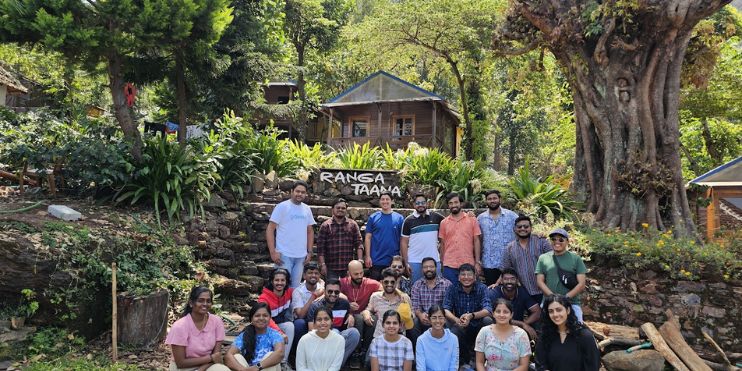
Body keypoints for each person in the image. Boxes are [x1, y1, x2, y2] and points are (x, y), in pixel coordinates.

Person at [267, 180, 316, 288]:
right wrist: (273, 252)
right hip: (284, 255)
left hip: (301, 257)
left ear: (306, 194)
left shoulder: (307, 209)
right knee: (281, 286)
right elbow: (270, 229)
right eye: (297, 191)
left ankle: (292, 306)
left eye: (303, 192)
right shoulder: (282, 207)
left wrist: (309, 252)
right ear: (291, 191)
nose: (300, 194)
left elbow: (310, 231)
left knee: (295, 288)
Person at [165, 287, 228, 371]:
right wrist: (210, 358)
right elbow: (180, 363)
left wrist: (201, 369)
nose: (205, 304)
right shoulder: (180, 326)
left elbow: (216, 356)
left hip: (208, 365)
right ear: (191, 303)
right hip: (184, 368)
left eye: (208, 301)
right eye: (200, 300)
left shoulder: (216, 321)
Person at [443, 263, 493, 368]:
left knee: (488, 320)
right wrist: (456, 319)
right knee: (453, 328)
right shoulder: (453, 288)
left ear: (475, 277)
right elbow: (446, 309)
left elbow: (488, 310)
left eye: (469, 275)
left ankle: (479, 357)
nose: (466, 278)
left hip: (477, 323)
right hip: (461, 323)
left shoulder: (482, 288)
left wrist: (471, 316)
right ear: (458, 277)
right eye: (463, 275)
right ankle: (462, 360)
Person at [535, 295, 600, 371]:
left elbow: (593, 366)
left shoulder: (584, 336)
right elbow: (540, 364)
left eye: (559, 310)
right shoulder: (545, 336)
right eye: (551, 311)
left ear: (568, 310)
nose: (555, 314)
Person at [535, 228, 587, 322]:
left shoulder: (576, 259)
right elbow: (540, 281)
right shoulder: (543, 258)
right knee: (547, 332)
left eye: (561, 239)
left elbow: (581, 284)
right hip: (549, 303)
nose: (557, 242)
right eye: (554, 239)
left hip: (572, 303)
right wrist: (554, 298)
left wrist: (565, 298)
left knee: (577, 332)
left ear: (567, 241)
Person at [306, 278, 360, 367]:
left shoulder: (344, 303)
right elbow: (311, 330)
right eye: (330, 291)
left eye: (336, 292)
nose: (333, 294)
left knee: (354, 333)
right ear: (324, 291)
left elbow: (348, 315)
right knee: (334, 332)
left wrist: (350, 315)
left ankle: (337, 365)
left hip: (339, 338)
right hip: (320, 339)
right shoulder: (315, 305)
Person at [501, 215, 552, 304]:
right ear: (514, 229)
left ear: (531, 228)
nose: (523, 229)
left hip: (545, 290)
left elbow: (554, 261)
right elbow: (506, 271)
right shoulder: (509, 248)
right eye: (519, 227)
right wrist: (497, 283)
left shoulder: (542, 242)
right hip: (524, 292)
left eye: (526, 226)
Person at [340, 260, 382, 360]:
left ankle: (365, 351)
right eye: (356, 274)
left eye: (361, 273)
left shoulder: (369, 283)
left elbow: (385, 288)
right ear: (348, 273)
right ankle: (355, 352)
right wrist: (347, 304)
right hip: (348, 316)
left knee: (373, 319)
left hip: (365, 315)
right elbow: (332, 291)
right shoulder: (343, 282)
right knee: (358, 318)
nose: (359, 276)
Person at [474, 299, 531, 371]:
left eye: (506, 312)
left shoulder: (521, 335)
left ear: (511, 315)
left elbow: (524, 366)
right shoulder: (484, 332)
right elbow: (479, 362)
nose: (501, 315)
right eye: (498, 311)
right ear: (493, 314)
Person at [439, 192, 482, 284]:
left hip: (468, 264)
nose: (453, 205)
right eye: (450, 203)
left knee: (469, 293)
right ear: (448, 205)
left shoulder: (472, 219)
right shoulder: (443, 223)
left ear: (461, 204)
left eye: (456, 202)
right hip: (449, 265)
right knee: (450, 292)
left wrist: (477, 262)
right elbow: (442, 243)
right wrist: (442, 262)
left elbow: (476, 240)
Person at [225, 302, 283, 371]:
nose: (261, 318)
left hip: (265, 368)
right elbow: (228, 355)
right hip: (248, 370)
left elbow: (280, 353)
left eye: (265, 315)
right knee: (237, 357)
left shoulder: (274, 334)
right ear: (251, 319)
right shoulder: (245, 335)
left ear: (270, 318)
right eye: (257, 316)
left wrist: (257, 367)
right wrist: (243, 369)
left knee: (271, 356)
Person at [477, 190, 518, 285]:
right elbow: (478, 240)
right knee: (492, 291)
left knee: (510, 290)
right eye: (489, 199)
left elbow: (522, 231)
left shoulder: (512, 216)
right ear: (486, 201)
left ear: (500, 199)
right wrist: (478, 261)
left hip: (508, 262)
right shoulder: (480, 218)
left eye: (495, 198)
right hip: (488, 263)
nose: (492, 201)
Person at [401, 194, 444, 283]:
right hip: (414, 262)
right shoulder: (408, 221)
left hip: (434, 260)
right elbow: (403, 243)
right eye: (418, 203)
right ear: (413, 205)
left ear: (427, 203)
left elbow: (451, 221)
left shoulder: (436, 217)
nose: (420, 205)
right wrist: (406, 263)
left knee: (437, 288)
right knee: (415, 289)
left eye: (423, 202)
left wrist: (468, 215)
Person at [487, 268, 540, 340]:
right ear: (501, 281)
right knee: (487, 320)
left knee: (538, 323)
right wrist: (521, 324)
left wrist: (525, 323)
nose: (509, 282)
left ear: (517, 280)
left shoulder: (521, 291)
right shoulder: (494, 293)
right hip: (499, 326)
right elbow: (492, 315)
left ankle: (536, 347)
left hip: (517, 328)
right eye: (506, 279)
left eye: (512, 279)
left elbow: (537, 311)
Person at [409, 257, 452, 345]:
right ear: (422, 270)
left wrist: (436, 317)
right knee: (413, 323)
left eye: (431, 267)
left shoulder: (446, 284)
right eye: (425, 267)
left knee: (448, 322)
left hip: (441, 317)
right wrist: (420, 315)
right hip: (424, 317)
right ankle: (418, 349)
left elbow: (448, 306)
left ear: (436, 268)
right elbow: (415, 305)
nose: (428, 269)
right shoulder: (417, 285)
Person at [317, 198, 363, 280]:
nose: (340, 210)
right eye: (338, 208)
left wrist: (359, 260)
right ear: (333, 209)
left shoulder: (352, 225)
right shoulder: (326, 225)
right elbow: (321, 248)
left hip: (348, 268)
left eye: (343, 208)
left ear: (346, 210)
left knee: (348, 291)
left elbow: (358, 243)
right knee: (332, 291)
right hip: (331, 268)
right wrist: (322, 265)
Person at [362, 268, 414, 339]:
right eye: (386, 282)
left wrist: (405, 309)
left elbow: (412, 315)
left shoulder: (404, 298)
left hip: (399, 336)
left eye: (392, 282)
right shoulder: (375, 297)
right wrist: (366, 313)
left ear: (396, 283)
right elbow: (368, 309)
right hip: (380, 336)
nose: (389, 284)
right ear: (381, 282)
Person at [365, 192, 405, 280]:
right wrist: (367, 256)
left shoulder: (399, 218)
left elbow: (402, 240)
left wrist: (403, 259)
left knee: (393, 287)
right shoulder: (373, 218)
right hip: (376, 260)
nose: (385, 201)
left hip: (394, 262)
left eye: (387, 199)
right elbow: (368, 237)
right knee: (376, 288)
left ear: (392, 201)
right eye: (383, 199)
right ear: (380, 202)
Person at [290, 262, 324, 365]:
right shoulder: (298, 291)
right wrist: (313, 296)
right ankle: (298, 355)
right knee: (299, 323)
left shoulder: (323, 287)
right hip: (304, 321)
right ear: (304, 275)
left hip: (320, 319)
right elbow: (300, 315)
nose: (313, 275)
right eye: (310, 273)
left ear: (319, 276)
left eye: (316, 273)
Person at [258, 268, 294, 365]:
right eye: (277, 280)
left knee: (290, 326)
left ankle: (283, 362)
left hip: (279, 325)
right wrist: (280, 332)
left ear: (286, 282)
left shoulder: (289, 292)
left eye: (282, 280)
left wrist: (320, 285)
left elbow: (305, 289)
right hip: (265, 327)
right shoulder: (264, 298)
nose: (280, 283)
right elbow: (265, 319)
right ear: (272, 281)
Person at [415, 304, 459, 371]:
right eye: (434, 318)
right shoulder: (421, 340)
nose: (437, 321)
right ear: (429, 320)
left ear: (444, 320)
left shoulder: (453, 339)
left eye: (440, 317)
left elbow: (453, 366)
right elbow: (421, 367)